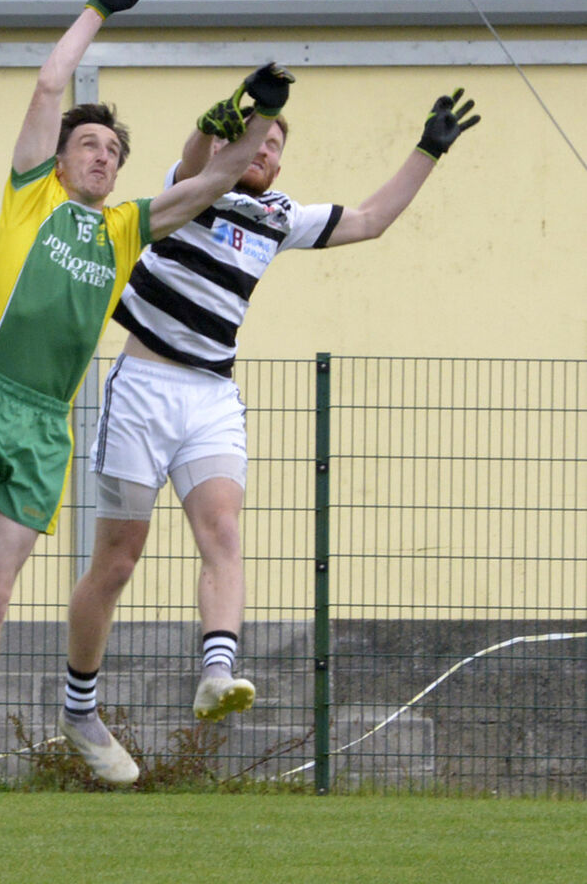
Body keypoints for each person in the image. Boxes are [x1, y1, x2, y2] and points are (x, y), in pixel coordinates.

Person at [0, 0, 294, 830]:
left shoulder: (124, 226)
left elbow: (213, 181)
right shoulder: (29, 197)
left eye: (112, 151)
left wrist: (250, 114)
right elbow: (50, 80)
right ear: (59, 159)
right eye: (90, 146)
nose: (102, 155)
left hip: (42, 430)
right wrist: (98, 7)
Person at [60, 79, 480, 784]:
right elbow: (196, 154)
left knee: (222, 531)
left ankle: (217, 671)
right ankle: (79, 708)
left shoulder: (277, 215)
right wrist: (221, 118)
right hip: (141, 388)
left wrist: (426, 151)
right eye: (257, 136)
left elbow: (371, 218)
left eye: (276, 145)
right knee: (117, 562)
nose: (267, 149)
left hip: (211, 396)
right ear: (232, 141)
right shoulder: (192, 187)